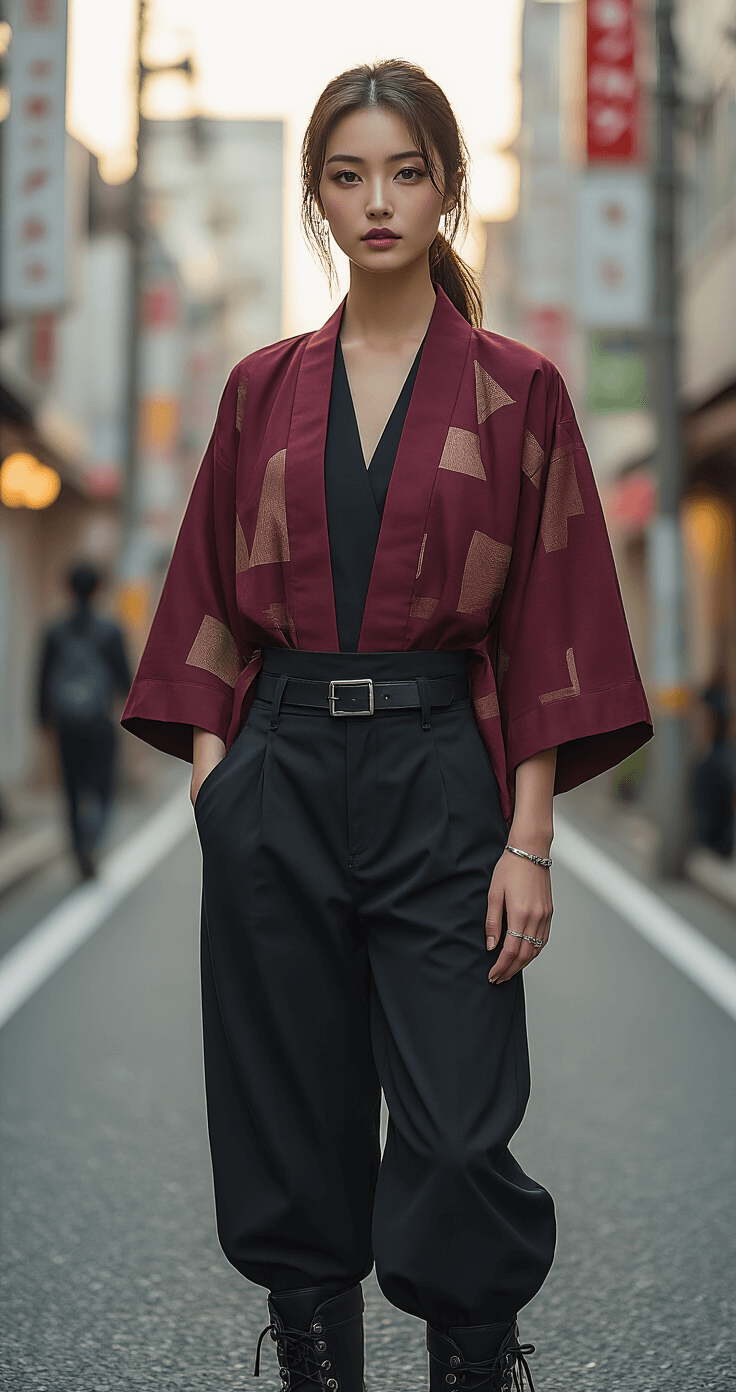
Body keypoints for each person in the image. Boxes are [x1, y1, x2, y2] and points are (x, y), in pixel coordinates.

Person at [122, 61, 653, 1392]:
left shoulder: (517, 388)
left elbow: (550, 613)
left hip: (442, 773)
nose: (378, 201)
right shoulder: (258, 391)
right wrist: (217, 781)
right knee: (292, 1129)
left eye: (407, 172)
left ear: (450, 190)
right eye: (349, 175)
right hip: (281, 769)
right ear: (316, 197)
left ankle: (476, 1357)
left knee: (461, 1134)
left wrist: (527, 837)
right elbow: (203, 597)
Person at [39, 563, 131, 880]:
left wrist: (43, 721)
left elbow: (40, 682)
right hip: (99, 724)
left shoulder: (54, 632)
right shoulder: (110, 632)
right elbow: (124, 681)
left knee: (71, 790)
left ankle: (79, 848)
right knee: (103, 788)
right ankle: (93, 841)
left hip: (67, 725)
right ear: (97, 590)